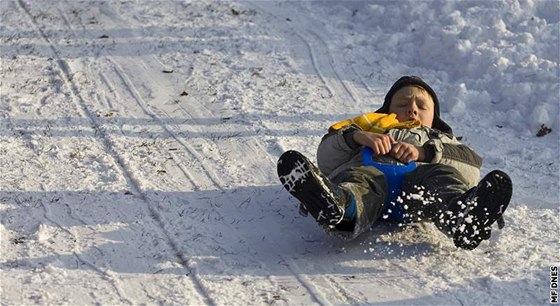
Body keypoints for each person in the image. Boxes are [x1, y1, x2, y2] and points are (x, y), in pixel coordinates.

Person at [277, 76, 512, 250]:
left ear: (435, 117)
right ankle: (341, 211)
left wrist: (424, 153)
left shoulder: (440, 139)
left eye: (422, 106)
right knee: (358, 181)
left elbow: (472, 168)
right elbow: (327, 158)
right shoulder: (368, 129)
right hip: (372, 177)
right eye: (402, 104)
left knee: (442, 178)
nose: (412, 109)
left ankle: (460, 216)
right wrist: (357, 137)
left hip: (418, 188)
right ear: (387, 110)